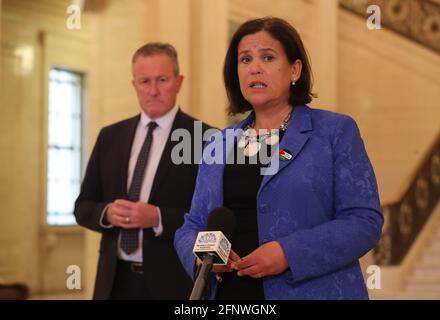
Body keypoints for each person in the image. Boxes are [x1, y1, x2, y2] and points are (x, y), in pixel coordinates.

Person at [174, 17, 383, 300]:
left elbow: (364, 221)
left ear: (295, 70)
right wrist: (201, 257)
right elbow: (192, 225)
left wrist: (288, 253)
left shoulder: (334, 132)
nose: (255, 68)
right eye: (245, 59)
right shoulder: (218, 143)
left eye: (268, 57)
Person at [74, 42, 211, 299]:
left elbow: (212, 218)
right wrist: (107, 213)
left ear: (179, 82)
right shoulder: (110, 136)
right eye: (144, 81)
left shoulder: (204, 138)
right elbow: (82, 206)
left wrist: (158, 217)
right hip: (114, 282)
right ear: (134, 85)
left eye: (162, 79)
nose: (153, 90)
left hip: (173, 283)